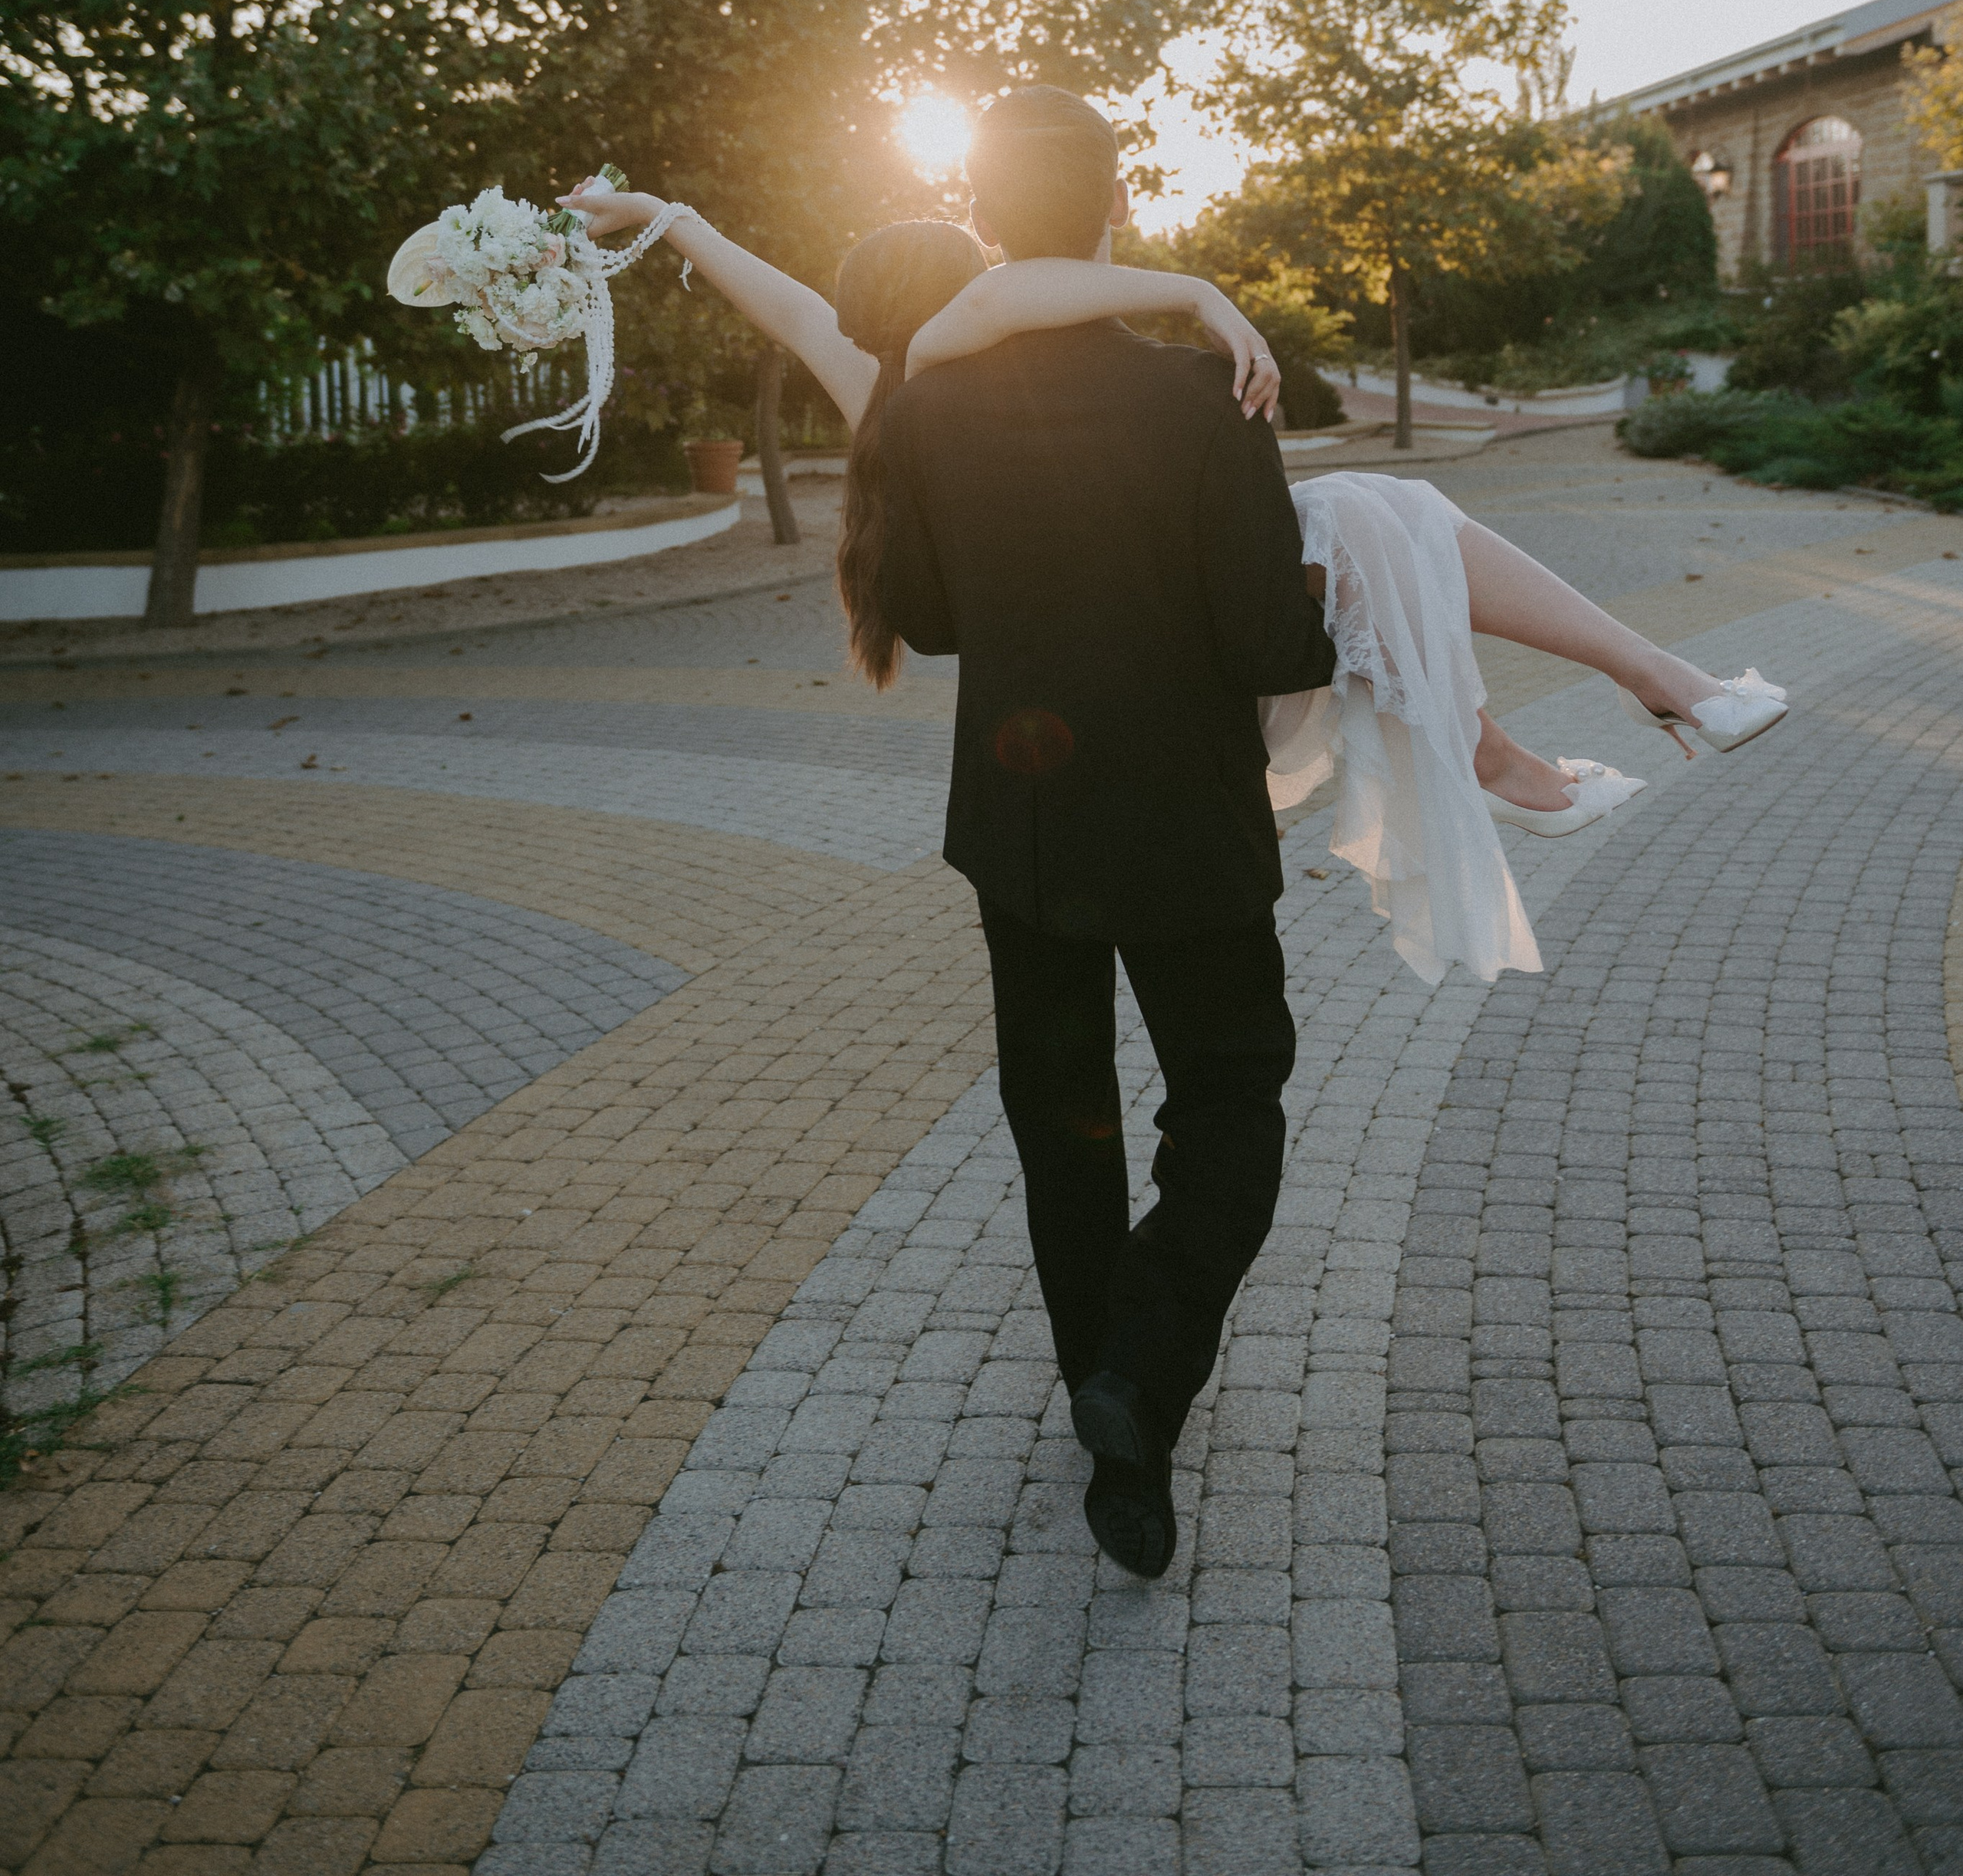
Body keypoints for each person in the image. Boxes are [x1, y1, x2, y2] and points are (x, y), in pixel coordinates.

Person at [559, 93, 1786, 1566]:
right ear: (1113, 212)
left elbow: (936, 619)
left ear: (991, 222)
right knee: (1231, 1096)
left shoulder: (920, 404)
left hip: (1018, 832)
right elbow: (1268, 642)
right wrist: (1351, 616)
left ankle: (1120, 1446)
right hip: (1188, 828)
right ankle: (1145, 1367)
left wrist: (675, 223)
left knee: (1058, 1128)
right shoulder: (1204, 397)